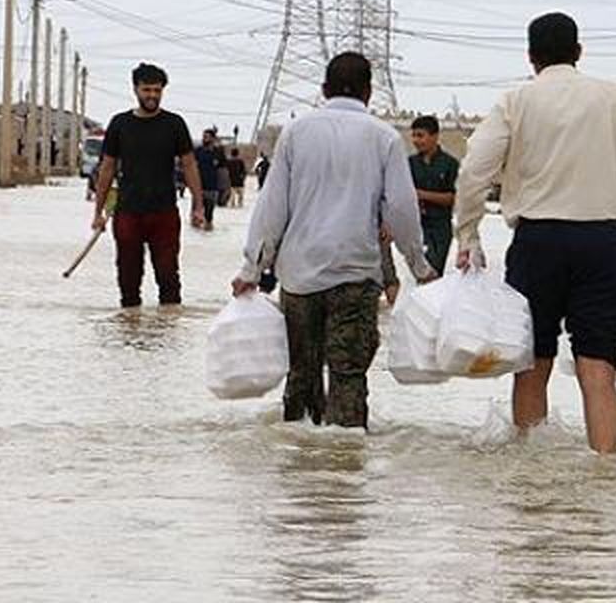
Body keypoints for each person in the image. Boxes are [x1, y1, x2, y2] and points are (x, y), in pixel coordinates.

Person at [454, 12, 616, 454]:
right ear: (578, 53)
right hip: (601, 243)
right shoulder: (614, 97)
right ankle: (604, 473)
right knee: (598, 368)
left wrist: (468, 234)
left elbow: (473, 170)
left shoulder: (515, 101)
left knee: (532, 364)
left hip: (537, 245)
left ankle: (533, 476)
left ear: (530, 57)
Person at [232, 52, 436, 429]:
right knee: (348, 376)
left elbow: (272, 206)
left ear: (324, 90)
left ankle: (301, 467)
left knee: (302, 375)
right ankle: (343, 473)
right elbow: (403, 211)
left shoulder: (297, 132)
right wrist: (419, 267)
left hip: (299, 276)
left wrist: (252, 266)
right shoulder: (384, 138)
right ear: (369, 92)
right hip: (355, 277)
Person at [91, 63, 205, 308]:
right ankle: (130, 330)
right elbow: (107, 168)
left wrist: (198, 205)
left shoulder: (174, 124)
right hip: (128, 211)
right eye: (147, 90)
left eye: (157, 90)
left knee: (168, 276)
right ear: (135, 89)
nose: (152, 95)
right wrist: (98, 212)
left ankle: (167, 336)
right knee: (128, 277)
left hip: (164, 211)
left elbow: (189, 165)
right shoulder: (120, 124)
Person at [408, 115, 460, 276]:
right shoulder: (409, 163)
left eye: (420, 135)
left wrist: (421, 195)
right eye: (414, 135)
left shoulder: (450, 164)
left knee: (433, 274)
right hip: (416, 226)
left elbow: (452, 198)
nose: (416, 140)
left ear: (435, 136)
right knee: (417, 275)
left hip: (439, 228)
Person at [194, 129, 222, 229]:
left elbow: (223, 170)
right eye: (204, 136)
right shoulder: (198, 151)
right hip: (198, 185)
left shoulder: (218, 152)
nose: (204, 138)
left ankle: (208, 225)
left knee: (209, 212)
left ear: (213, 138)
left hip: (212, 186)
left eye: (207, 136)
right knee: (196, 213)